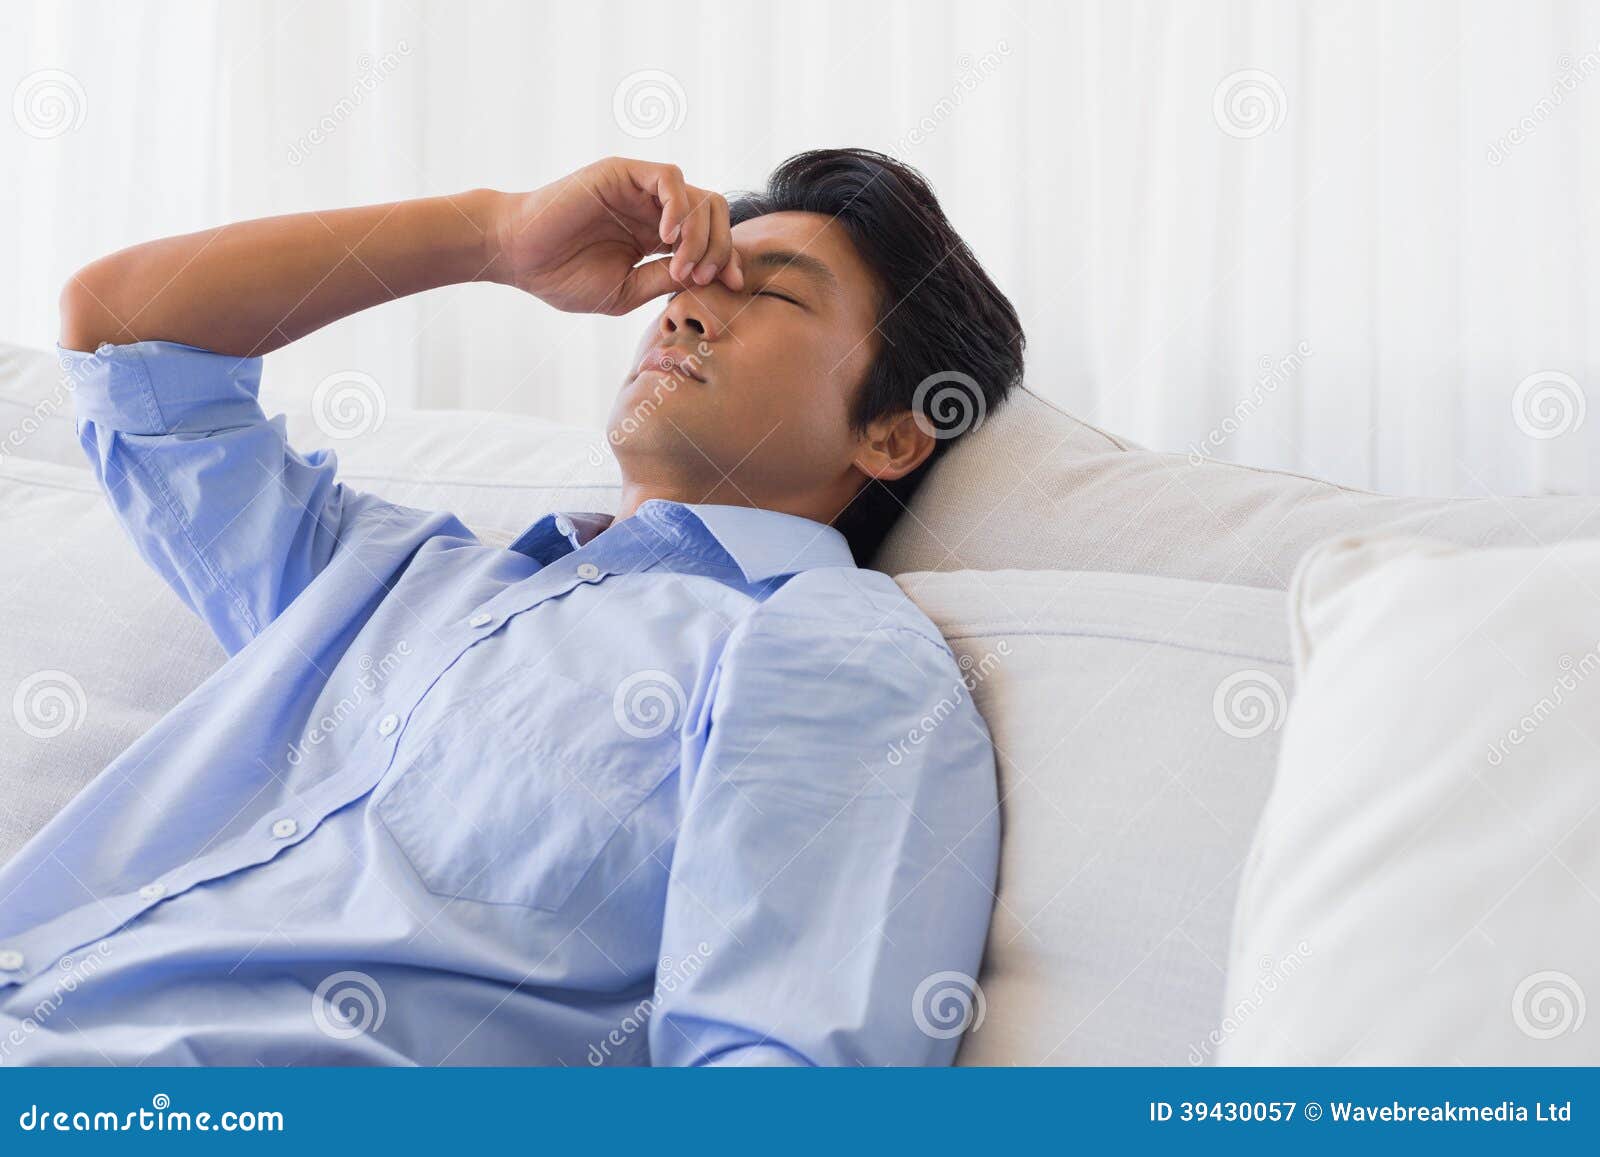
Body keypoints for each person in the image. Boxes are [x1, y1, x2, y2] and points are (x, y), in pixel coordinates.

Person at [0, 149, 1022, 1066]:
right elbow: (125, 334)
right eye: (692, 276)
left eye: (772, 298)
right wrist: (494, 234)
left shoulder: (824, 646)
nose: (686, 307)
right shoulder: (388, 573)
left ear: (892, 435)